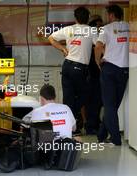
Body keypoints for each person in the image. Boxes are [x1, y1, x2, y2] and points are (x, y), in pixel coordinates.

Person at [48, 7, 97, 135]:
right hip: (80, 68)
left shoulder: (68, 29)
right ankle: (71, 115)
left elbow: (51, 38)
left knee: (68, 97)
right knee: (87, 94)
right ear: (88, 18)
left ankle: (68, 128)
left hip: (67, 66)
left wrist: (63, 49)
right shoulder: (91, 31)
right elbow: (99, 45)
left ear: (75, 18)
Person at [95, 5, 129, 146]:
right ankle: (102, 134)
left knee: (109, 105)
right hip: (125, 70)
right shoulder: (130, 27)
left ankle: (115, 139)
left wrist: (98, 62)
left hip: (109, 69)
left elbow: (98, 46)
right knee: (113, 106)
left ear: (111, 15)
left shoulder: (106, 29)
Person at [85, 15, 103, 135]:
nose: (101, 28)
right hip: (92, 75)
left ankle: (94, 125)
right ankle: (91, 127)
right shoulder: (92, 40)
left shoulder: (96, 39)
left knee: (97, 102)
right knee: (93, 102)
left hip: (95, 75)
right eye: (99, 26)